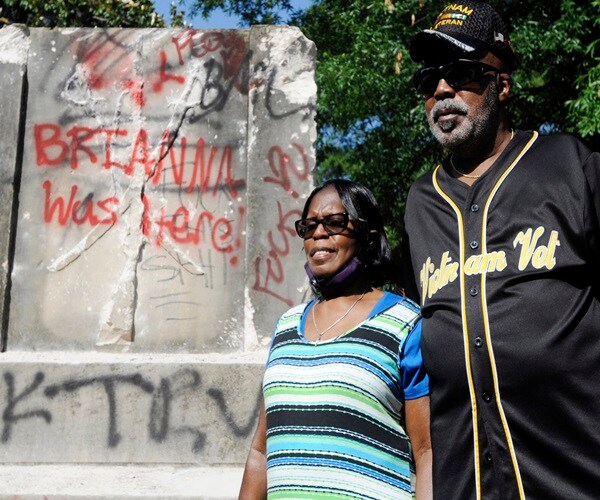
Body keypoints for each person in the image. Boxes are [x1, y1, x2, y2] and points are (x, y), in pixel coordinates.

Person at [402, 1, 600, 499]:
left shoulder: (571, 166)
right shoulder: (420, 202)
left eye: (462, 73)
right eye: (430, 80)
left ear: (501, 84)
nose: (443, 90)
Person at [240, 179, 432, 499]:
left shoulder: (405, 322)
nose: (318, 232)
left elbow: (426, 451)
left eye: (334, 223)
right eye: (309, 225)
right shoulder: (286, 326)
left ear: (368, 237)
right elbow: (261, 451)